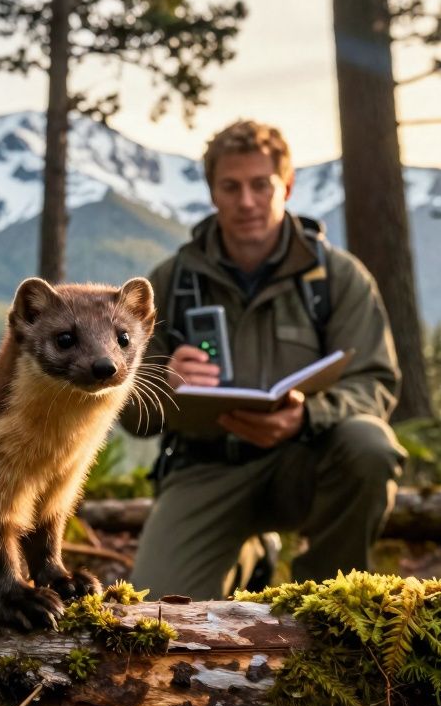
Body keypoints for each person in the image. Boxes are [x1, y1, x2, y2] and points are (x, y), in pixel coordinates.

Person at [120, 119, 406, 600]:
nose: (246, 201)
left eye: (261, 185)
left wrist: (307, 417)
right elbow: (127, 410)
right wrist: (161, 381)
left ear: (287, 186)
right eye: (231, 187)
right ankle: (252, 555)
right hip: (205, 470)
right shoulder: (170, 282)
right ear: (213, 192)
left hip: (308, 462)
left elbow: (374, 381)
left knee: (370, 446)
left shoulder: (336, 278)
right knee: (158, 615)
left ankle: (328, 601)